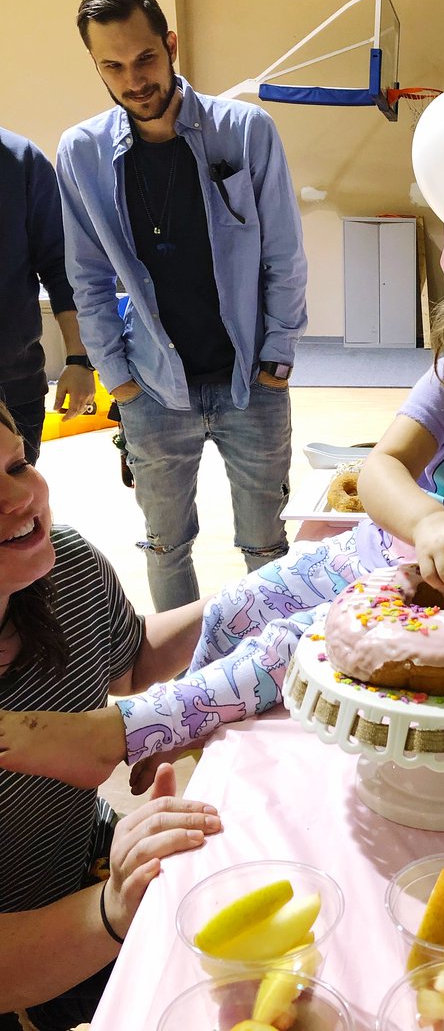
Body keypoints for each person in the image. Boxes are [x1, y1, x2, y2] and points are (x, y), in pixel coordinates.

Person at [1, 167, 444, 787]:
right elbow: (380, 469)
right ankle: (185, 723)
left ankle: (123, 732)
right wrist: (427, 518)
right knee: (235, 606)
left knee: (286, 650)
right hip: (368, 552)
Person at [57, 0, 307, 612]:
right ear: (96, 67)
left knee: (265, 547)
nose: (133, 79)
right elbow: (85, 276)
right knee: (165, 545)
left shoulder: (246, 131)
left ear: (170, 45)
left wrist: (277, 356)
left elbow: (284, 254)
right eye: (111, 66)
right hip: (151, 388)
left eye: (144, 58)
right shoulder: (81, 153)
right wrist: (115, 376)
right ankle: (186, 679)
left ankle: (265, 668)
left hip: (251, 380)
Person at [0, 400, 222, 1030]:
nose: (19, 500)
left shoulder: (63, 567)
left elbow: (127, 662)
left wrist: (255, 602)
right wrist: (112, 910)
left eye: (16, 465)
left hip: (88, 862)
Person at [0, 125, 95, 464]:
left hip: (15, 386)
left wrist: (78, 359)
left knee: (18, 512)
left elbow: (60, 266)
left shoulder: (20, 159)